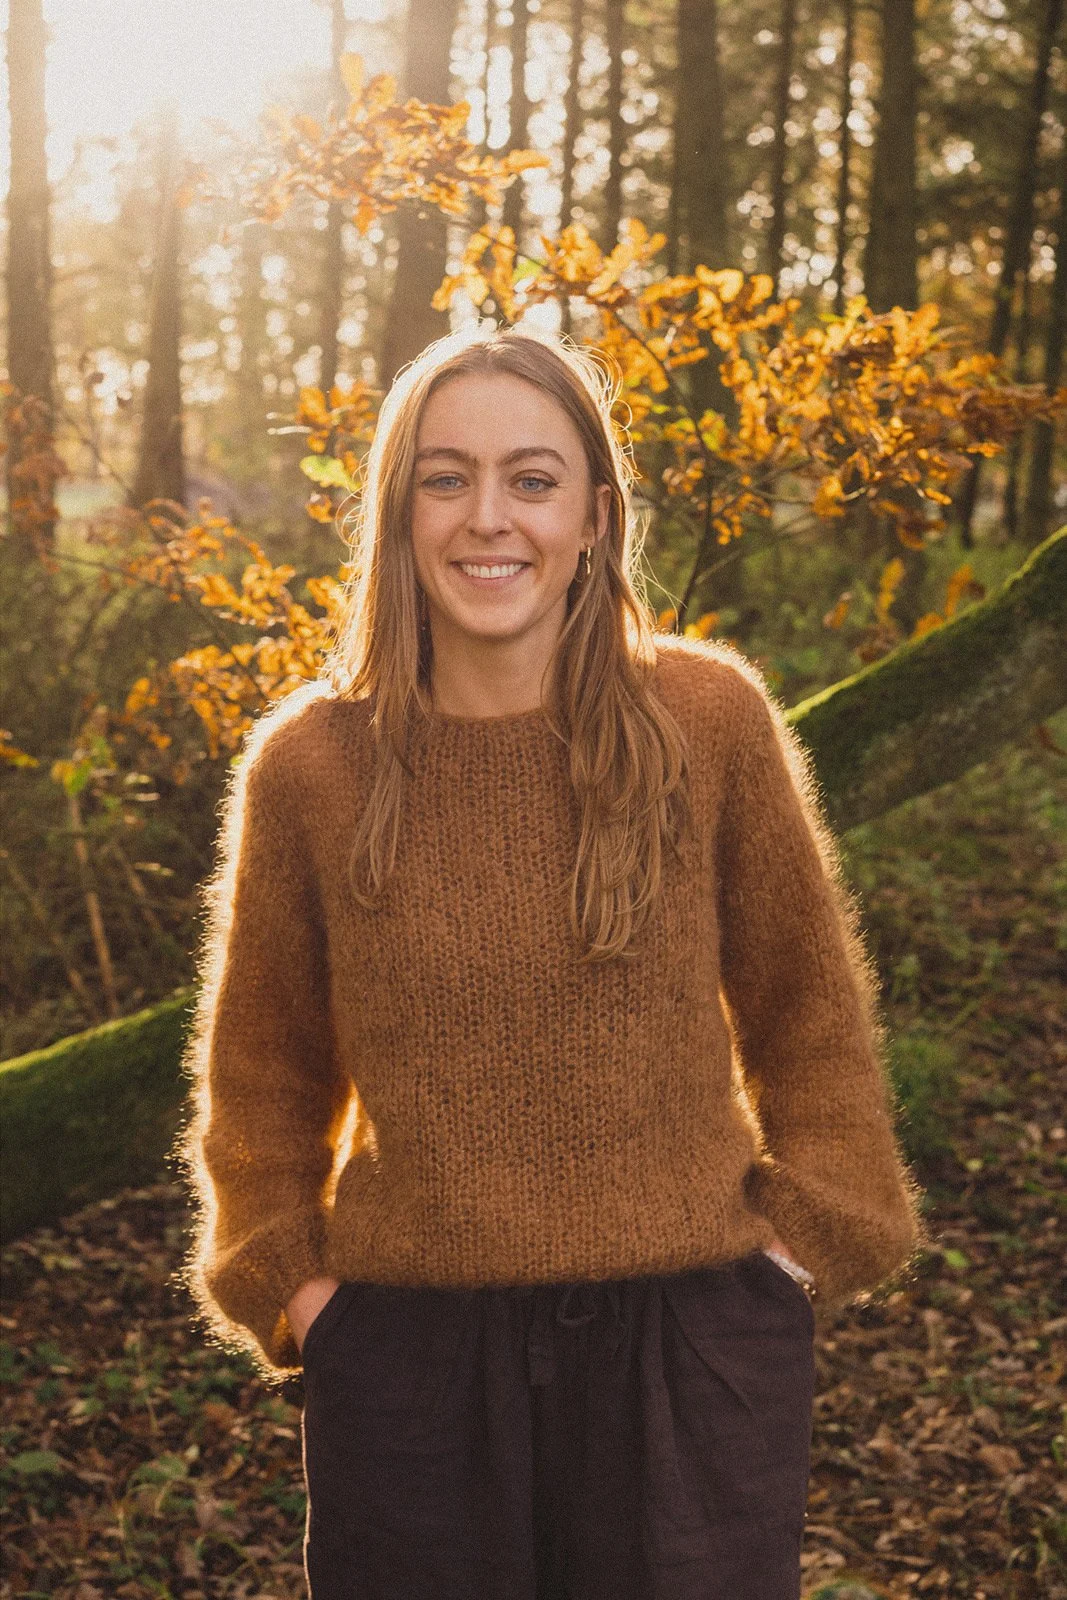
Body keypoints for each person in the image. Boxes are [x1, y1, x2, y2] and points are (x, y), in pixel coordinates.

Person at [176, 321, 922, 1600]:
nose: (489, 519)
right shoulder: (312, 766)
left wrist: (796, 1250)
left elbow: (807, 1013)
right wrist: (297, 1291)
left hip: (688, 1346)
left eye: (531, 478)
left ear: (592, 515)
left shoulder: (705, 720)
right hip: (409, 1358)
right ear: (399, 510)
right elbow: (263, 1070)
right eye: (445, 476)